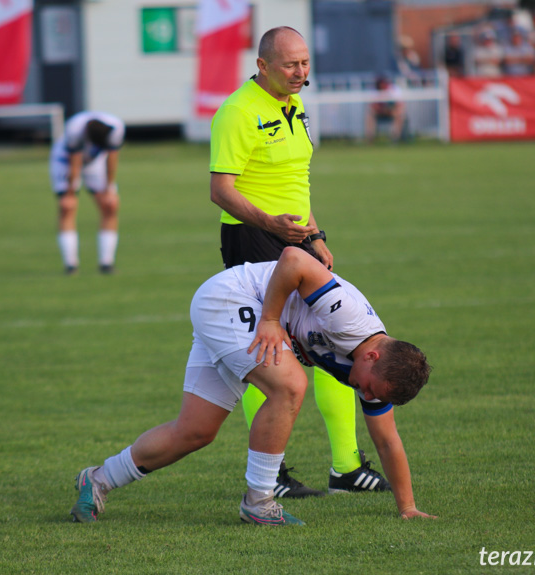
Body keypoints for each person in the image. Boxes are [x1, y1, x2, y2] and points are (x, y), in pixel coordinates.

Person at [70, 247, 434, 525]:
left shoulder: (375, 366)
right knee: (291, 385)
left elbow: (387, 440)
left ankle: (98, 480)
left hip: (230, 313)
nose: (366, 396)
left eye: (374, 395)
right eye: (371, 389)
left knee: (194, 431)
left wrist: (408, 507)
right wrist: (272, 319)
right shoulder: (350, 318)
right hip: (233, 298)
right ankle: (259, 501)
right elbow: (293, 258)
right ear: (371, 358)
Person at [208, 26, 391, 501]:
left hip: (296, 237)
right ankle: (275, 474)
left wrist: (314, 233)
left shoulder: (295, 105)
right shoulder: (237, 111)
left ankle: (346, 467)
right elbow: (221, 190)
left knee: (337, 343)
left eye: (305, 63)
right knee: (270, 355)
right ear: (263, 65)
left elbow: (293, 179)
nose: (301, 72)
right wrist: (273, 224)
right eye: (291, 65)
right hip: (252, 238)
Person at [49, 111, 124, 274]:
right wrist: (69, 193)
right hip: (65, 160)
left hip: (95, 161)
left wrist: (109, 189)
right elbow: (74, 163)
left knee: (110, 206)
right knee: (68, 207)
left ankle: (106, 263)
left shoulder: (116, 127)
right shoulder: (75, 129)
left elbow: (112, 158)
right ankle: (71, 265)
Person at [364, 76, 408, 143]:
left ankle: (395, 138)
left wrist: (390, 110)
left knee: (399, 114)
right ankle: (370, 140)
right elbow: (372, 105)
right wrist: (382, 109)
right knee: (369, 115)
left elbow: (400, 104)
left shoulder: (394, 89)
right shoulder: (374, 90)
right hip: (379, 112)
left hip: (392, 111)